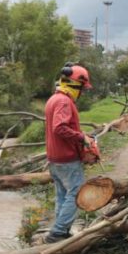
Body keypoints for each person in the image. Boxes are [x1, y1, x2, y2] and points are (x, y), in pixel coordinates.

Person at [44, 63, 94, 244]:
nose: (82, 93)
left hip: (54, 157)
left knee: (63, 195)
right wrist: (81, 137)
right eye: (82, 88)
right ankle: (58, 232)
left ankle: (61, 230)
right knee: (76, 192)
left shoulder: (54, 99)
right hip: (66, 158)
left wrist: (80, 135)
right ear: (76, 85)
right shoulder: (64, 102)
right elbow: (59, 128)